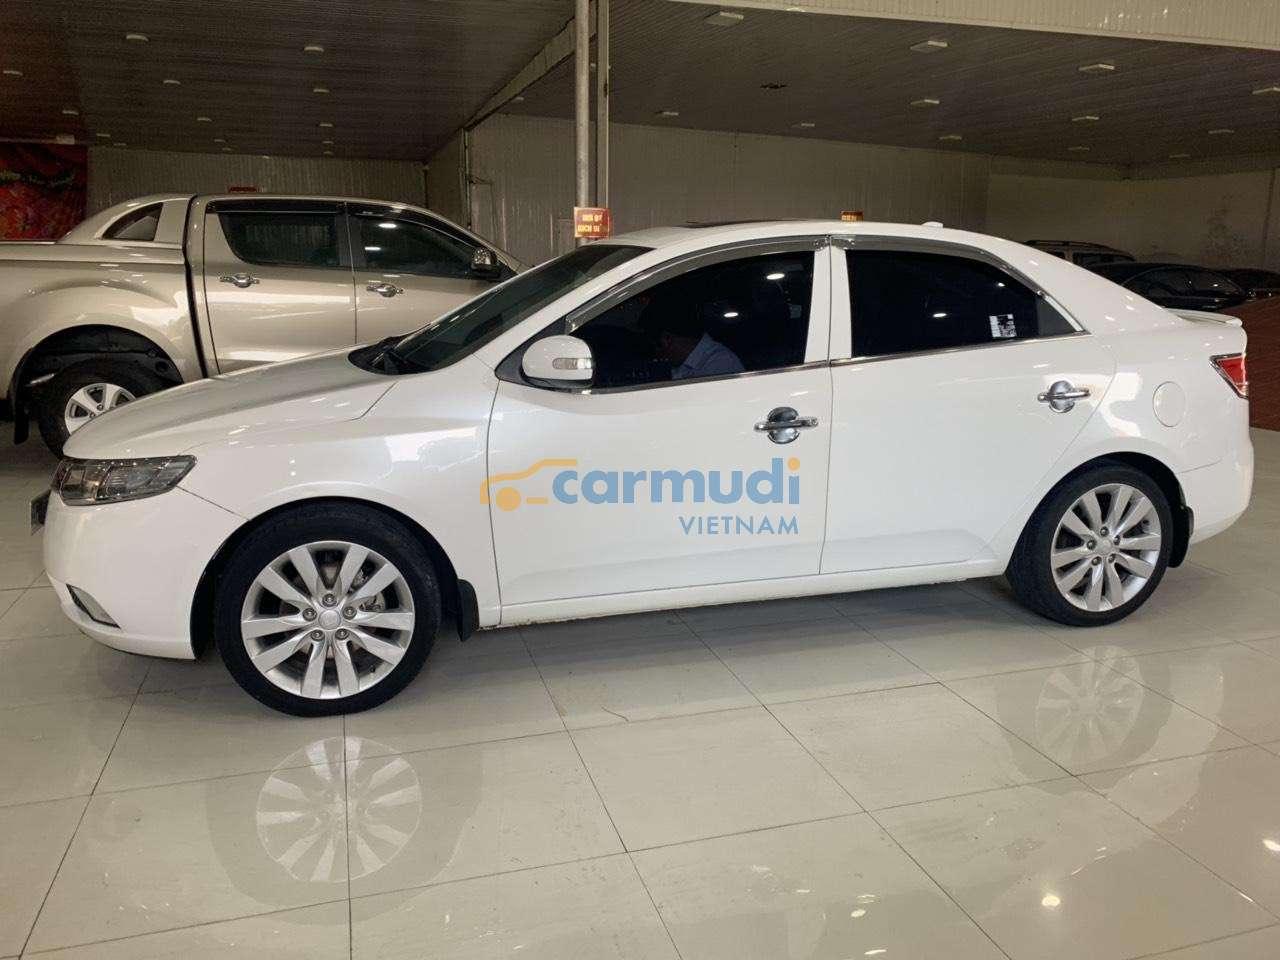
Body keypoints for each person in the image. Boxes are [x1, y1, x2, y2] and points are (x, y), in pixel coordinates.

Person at [640, 293, 744, 380]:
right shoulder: (685, 365)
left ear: (666, 340)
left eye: (657, 347)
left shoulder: (720, 363)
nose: (658, 356)